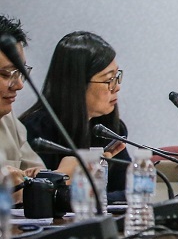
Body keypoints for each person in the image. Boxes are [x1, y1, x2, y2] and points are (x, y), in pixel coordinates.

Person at [20, 31, 129, 201]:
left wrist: (94, 197)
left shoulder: (109, 129)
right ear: (77, 85)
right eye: (109, 80)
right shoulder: (36, 131)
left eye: (117, 76)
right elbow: (38, 197)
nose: (116, 87)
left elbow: (130, 193)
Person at [0, 15, 45, 199]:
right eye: (6, 74)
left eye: (21, 72)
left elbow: (41, 179)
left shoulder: (8, 120)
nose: (19, 85)